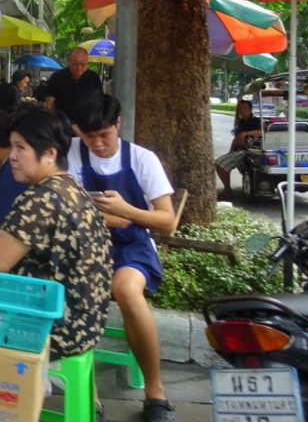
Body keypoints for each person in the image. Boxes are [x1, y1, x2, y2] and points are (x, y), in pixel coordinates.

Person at [0, 108, 112, 381]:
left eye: (20, 148)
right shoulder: (71, 186)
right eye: (12, 146)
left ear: (49, 153)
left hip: (55, 326)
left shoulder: (39, 200)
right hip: (88, 322)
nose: (12, 156)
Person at [68, 94, 178, 422]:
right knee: (77, 294)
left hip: (133, 247)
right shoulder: (72, 152)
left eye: (105, 135)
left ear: (118, 124)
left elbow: (167, 220)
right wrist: (121, 216)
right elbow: (73, 212)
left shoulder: (142, 159)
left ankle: (155, 393)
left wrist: (126, 212)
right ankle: (90, 396)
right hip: (87, 245)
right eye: (89, 137)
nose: (98, 144)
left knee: (127, 290)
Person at [215, 99, 262, 200]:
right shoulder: (241, 122)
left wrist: (245, 134)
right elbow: (236, 139)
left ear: (250, 109)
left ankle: (227, 191)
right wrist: (230, 151)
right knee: (218, 163)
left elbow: (261, 132)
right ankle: (227, 189)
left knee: (221, 164)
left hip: (248, 151)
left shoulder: (256, 121)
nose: (241, 110)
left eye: (244, 108)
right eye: (239, 108)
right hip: (238, 150)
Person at [45, 46, 103, 121]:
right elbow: (49, 103)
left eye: (83, 64)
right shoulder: (57, 77)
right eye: (75, 64)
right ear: (68, 61)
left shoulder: (94, 78)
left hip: (87, 123)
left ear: (87, 63)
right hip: (63, 123)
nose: (79, 68)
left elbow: (99, 101)